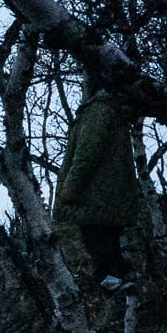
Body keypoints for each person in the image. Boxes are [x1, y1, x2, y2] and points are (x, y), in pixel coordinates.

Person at [54, 81, 145, 288]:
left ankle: (115, 294)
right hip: (108, 198)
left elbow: (86, 156)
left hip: (93, 199)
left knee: (101, 253)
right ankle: (124, 289)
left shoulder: (98, 111)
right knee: (112, 251)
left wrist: (69, 190)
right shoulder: (112, 111)